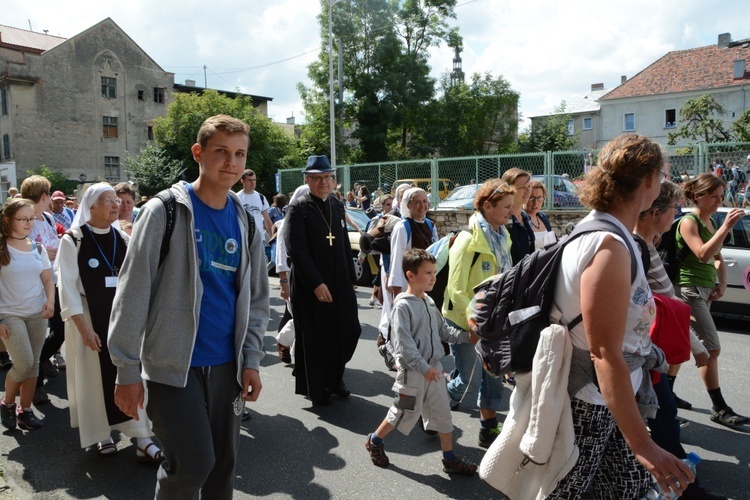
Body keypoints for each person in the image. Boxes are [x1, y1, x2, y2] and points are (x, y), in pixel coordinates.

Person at [108, 115, 269, 498]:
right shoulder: (163, 211)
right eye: (221, 152)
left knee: (222, 470)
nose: (231, 162)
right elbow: (132, 292)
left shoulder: (246, 223)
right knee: (193, 465)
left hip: (226, 366)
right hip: (172, 366)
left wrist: (251, 360)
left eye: (239, 154)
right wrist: (127, 370)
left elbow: (258, 299)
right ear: (198, 153)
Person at [547, 134, 694, 499]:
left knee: (628, 490)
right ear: (647, 180)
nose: (662, 182)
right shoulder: (608, 246)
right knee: (567, 493)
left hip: (613, 395)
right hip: (591, 400)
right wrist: (644, 444)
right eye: (661, 174)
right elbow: (603, 352)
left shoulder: (616, 235)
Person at [634, 181, 727, 500]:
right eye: (674, 207)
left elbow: (666, 299)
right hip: (640, 355)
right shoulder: (636, 248)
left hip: (648, 355)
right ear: (655, 212)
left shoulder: (648, 244)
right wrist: (697, 345)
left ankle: (677, 486)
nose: (678, 212)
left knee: (661, 423)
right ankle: (688, 491)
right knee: (664, 423)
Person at [56, 183, 161, 460]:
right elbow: (66, 288)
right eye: (108, 200)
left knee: (129, 374)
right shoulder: (74, 239)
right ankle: (101, 435)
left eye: (117, 200)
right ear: (91, 207)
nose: (117, 205)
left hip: (121, 319)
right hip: (89, 318)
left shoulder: (122, 238)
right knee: (94, 378)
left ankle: (142, 437)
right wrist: (84, 329)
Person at [365, 248, 478, 476]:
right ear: (410, 275)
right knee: (402, 412)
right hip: (412, 374)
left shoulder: (428, 301)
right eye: (428, 273)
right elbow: (405, 346)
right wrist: (423, 368)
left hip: (434, 370)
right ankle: (375, 440)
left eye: (434, 272)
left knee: (443, 414)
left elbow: (443, 331)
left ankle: (449, 458)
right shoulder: (402, 306)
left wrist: (467, 337)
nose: (434, 277)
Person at [285, 155, 361, 406]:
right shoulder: (299, 208)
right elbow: (297, 251)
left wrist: (351, 279)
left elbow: (341, 246)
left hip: (339, 280)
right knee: (318, 336)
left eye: (328, 177)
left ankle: (336, 376)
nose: (324, 183)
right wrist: (316, 283)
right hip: (311, 284)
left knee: (348, 329)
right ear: (307, 180)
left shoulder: (336, 205)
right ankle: (319, 387)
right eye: (317, 178)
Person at [443, 179, 514, 448]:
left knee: (493, 378)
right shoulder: (467, 239)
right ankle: (433, 404)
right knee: (468, 383)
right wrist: (473, 323)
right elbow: (456, 287)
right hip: (465, 321)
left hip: (494, 321)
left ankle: (488, 430)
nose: (510, 211)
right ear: (488, 205)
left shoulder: (503, 236)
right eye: (505, 206)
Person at [674, 173, 747, 427]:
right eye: (714, 196)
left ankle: (665, 395)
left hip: (706, 289)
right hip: (690, 289)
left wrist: (722, 282)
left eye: (721, 196)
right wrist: (727, 226)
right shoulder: (689, 221)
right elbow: (703, 254)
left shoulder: (708, 222)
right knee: (711, 347)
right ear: (698, 196)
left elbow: (717, 256)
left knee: (683, 345)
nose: (719, 201)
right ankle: (718, 406)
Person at [0, 199, 55, 430]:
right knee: (24, 363)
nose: (29, 223)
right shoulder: (2, 249)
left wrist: (50, 301)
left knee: (33, 366)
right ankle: (7, 403)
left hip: (37, 313)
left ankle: (26, 410)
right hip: (9, 314)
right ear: (7, 220)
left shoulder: (37, 247)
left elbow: (47, 278)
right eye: (23, 219)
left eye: (31, 218)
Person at [20, 175, 63, 405]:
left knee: (60, 331)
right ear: (44, 196)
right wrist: (44, 251)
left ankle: (42, 360)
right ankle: (35, 388)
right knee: (35, 338)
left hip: (52, 282)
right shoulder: (24, 219)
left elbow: (56, 242)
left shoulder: (47, 217)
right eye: (49, 194)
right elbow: (17, 248)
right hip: (32, 287)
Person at [501, 168, 534, 264]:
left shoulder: (526, 218)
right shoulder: (503, 220)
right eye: (522, 188)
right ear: (509, 189)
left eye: (529, 186)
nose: (528, 192)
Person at [236, 169, 273, 236]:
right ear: (242, 181)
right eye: (249, 180)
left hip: (259, 237)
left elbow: (267, 219)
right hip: (244, 237)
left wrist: (271, 235)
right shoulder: (237, 198)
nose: (252, 183)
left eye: (254, 180)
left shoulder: (261, 197)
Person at [523, 179, 557, 250]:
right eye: (531, 198)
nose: (536, 203)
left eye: (539, 198)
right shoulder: (520, 220)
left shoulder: (543, 217)